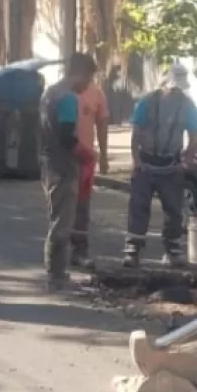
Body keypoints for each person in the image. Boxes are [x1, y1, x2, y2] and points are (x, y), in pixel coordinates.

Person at [123, 64, 197, 267]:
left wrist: (185, 163)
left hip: (171, 165)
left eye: (179, 88)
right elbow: (136, 134)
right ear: (164, 83)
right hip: (147, 162)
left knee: (174, 209)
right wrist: (137, 161)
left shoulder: (188, 106)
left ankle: (173, 249)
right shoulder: (147, 102)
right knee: (138, 207)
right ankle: (133, 249)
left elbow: (194, 138)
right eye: (172, 87)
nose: (176, 92)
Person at [39, 53, 98, 290]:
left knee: (57, 217)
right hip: (63, 166)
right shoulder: (68, 98)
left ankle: (56, 272)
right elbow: (67, 136)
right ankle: (56, 275)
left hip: (48, 162)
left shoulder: (49, 93)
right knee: (62, 222)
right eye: (89, 77)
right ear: (79, 72)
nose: (89, 84)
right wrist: (87, 154)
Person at [70, 75, 110, 270]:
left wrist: (103, 155)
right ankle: (58, 252)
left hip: (85, 160)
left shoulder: (97, 94)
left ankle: (80, 251)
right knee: (62, 206)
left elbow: (102, 125)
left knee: (82, 207)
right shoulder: (60, 93)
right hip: (62, 159)